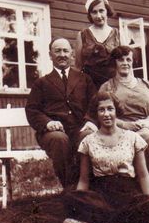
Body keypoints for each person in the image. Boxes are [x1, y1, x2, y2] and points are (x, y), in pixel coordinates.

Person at [64, 91, 149, 223]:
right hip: (101, 196)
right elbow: (84, 180)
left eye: (110, 109)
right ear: (96, 114)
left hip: (128, 194)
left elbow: (143, 175)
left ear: (116, 111)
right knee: (69, 198)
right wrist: (80, 200)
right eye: (101, 110)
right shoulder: (88, 141)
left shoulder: (133, 138)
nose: (106, 114)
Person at [25, 37, 97, 188]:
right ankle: (70, 188)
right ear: (50, 55)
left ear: (72, 54)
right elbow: (32, 109)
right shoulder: (42, 83)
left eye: (65, 51)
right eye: (57, 51)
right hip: (53, 132)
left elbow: (95, 103)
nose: (62, 54)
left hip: (79, 128)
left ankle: (89, 187)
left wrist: (90, 121)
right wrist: (48, 122)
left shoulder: (84, 79)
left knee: (89, 136)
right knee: (60, 140)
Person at [99, 45, 149, 194]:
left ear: (133, 62)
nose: (125, 63)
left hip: (146, 126)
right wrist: (126, 125)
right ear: (115, 62)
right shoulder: (107, 87)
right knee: (142, 137)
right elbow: (103, 113)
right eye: (121, 59)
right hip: (119, 128)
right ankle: (140, 189)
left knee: (146, 136)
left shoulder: (145, 84)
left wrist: (147, 122)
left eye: (128, 59)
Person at [75, 0, 120, 89]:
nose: (98, 16)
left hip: (113, 85)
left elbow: (125, 62)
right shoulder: (82, 35)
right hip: (89, 86)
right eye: (94, 12)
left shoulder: (118, 34)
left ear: (107, 11)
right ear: (90, 15)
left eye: (101, 11)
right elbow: (78, 66)